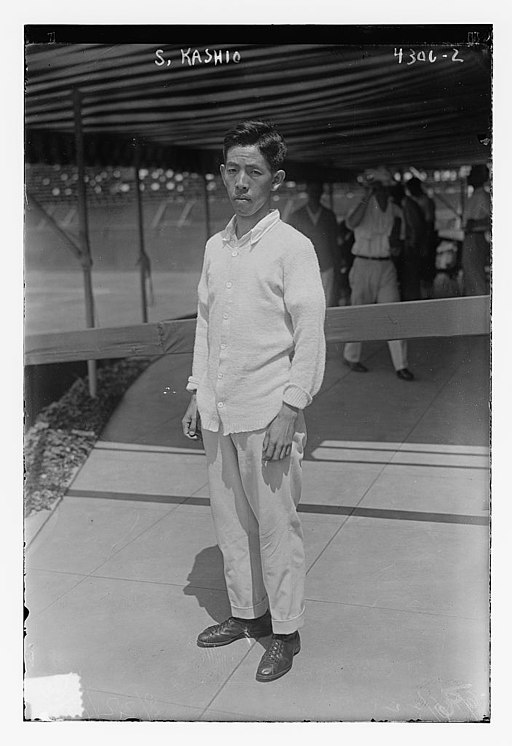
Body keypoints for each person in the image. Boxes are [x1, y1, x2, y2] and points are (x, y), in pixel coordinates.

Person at [181, 120, 326, 683]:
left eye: (255, 172)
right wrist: (197, 392)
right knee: (230, 522)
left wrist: (290, 408)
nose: (241, 182)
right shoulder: (216, 248)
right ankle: (248, 614)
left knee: (275, 526)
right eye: (233, 170)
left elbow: (310, 330)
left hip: (269, 415)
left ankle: (285, 632)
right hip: (219, 411)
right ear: (222, 174)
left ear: (276, 180)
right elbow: (205, 324)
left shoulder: (294, 248)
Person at [342, 167, 414, 381]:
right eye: (378, 188)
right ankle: (351, 356)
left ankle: (401, 364)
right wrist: (366, 196)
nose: (382, 191)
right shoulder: (363, 204)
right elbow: (351, 223)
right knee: (359, 314)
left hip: (386, 267)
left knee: (393, 314)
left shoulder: (395, 209)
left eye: (385, 188)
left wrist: (398, 245)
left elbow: (401, 235)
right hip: (363, 265)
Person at [287, 182, 339, 306]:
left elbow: (335, 243)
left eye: (318, 191)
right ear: (308, 192)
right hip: (304, 267)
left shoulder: (328, 215)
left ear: (322, 193)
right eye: (312, 191)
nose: (315, 194)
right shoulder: (296, 215)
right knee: (306, 304)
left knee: (326, 304)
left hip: (326, 265)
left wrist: (337, 268)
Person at [390, 182, 426, 301]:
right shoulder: (404, 204)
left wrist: (411, 245)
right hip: (407, 246)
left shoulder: (408, 205)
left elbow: (415, 227)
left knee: (411, 278)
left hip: (410, 247)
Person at [405, 177, 437, 296]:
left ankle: (428, 297)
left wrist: (425, 244)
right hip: (420, 241)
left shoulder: (425, 201)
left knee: (426, 272)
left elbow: (429, 224)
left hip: (426, 240)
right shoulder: (416, 201)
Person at [461, 164, 490, 296]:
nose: (469, 177)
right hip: (470, 237)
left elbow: (492, 219)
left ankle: (480, 302)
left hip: (476, 237)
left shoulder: (483, 196)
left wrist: (475, 223)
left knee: (475, 273)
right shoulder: (473, 196)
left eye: (473, 174)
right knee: (469, 272)